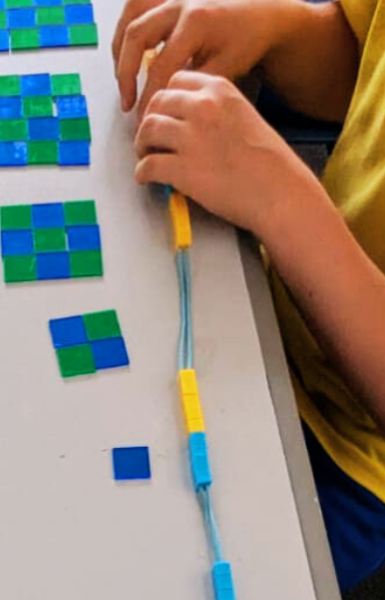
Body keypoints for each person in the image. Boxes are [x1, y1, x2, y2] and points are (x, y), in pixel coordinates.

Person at [112, 0, 385, 596]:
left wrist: (284, 204)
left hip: (341, 453)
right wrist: (272, 30)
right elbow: (362, 65)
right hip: (262, 295)